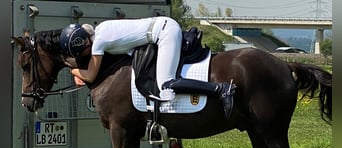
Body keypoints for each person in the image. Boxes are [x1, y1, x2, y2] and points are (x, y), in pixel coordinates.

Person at [60, 17, 235, 119]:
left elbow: (90, 76)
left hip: (164, 33)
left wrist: (73, 69)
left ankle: (221, 89)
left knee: (167, 84)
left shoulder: (98, 43)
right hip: (162, 27)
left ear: (84, 45)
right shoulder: (101, 29)